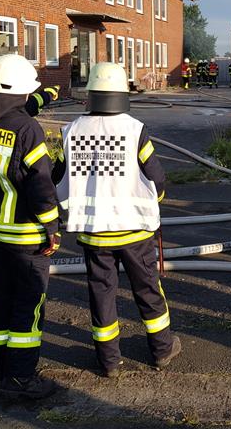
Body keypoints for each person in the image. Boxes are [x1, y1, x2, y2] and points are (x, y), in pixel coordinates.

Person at [54, 62, 181, 377]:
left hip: (94, 234)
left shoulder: (70, 131)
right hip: (134, 232)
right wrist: (156, 204)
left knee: (101, 294)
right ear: (122, 92)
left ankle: (109, 361)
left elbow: (57, 177)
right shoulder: (134, 129)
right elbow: (157, 178)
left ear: (91, 94)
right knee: (148, 289)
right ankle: (162, 350)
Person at [0, 54, 60, 400]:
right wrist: (51, 226)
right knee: (28, 304)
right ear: (20, 91)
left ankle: (4, 368)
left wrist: (43, 97)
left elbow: (10, 110)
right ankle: (21, 379)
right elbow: (40, 184)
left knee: (2, 299)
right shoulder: (27, 130)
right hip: (25, 233)